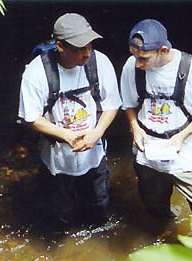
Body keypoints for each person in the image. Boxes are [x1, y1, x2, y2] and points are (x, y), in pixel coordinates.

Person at [18, 13, 121, 224]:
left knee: (98, 206)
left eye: (89, 45)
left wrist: (97, 132)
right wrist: (65, 134)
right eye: (79, 48)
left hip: (95, 151)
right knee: (59, 211)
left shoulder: (100, 63)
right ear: (60, 46)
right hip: (56, 158)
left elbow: (111, 104)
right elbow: (30, 117)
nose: (86, 54)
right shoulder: (36, 72)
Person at [120, 19, 192, 225]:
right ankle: (169, 228)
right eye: (134, 56)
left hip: (183, 151)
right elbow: (129, 104)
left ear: (164, 50)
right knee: (154, 207)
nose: (137, 63)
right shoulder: (131, 66)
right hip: (147, 149)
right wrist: (135, 128)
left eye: (144, 58)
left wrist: (181, 137)